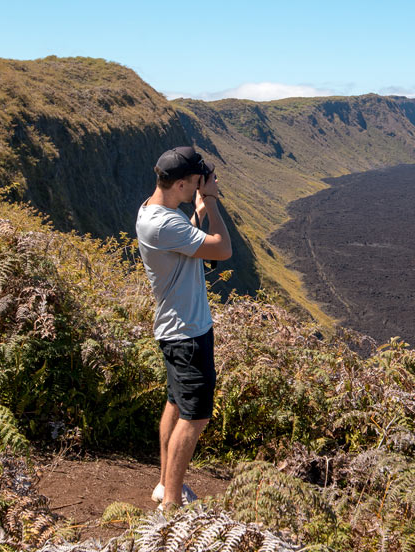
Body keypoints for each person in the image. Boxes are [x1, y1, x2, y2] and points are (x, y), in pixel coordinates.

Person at [135, 146, 232, 509]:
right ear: (179, 183)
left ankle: (165, 485)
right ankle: (172, 505)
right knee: (195, 417)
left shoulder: (153, 211)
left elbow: (181, 244)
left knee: (175, 405)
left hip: (176, 329)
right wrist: (213, 203)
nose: (198, 187)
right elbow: (221, 250)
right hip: (187, 333)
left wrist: (198, 211)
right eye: (194, 183)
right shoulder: (164, 223)